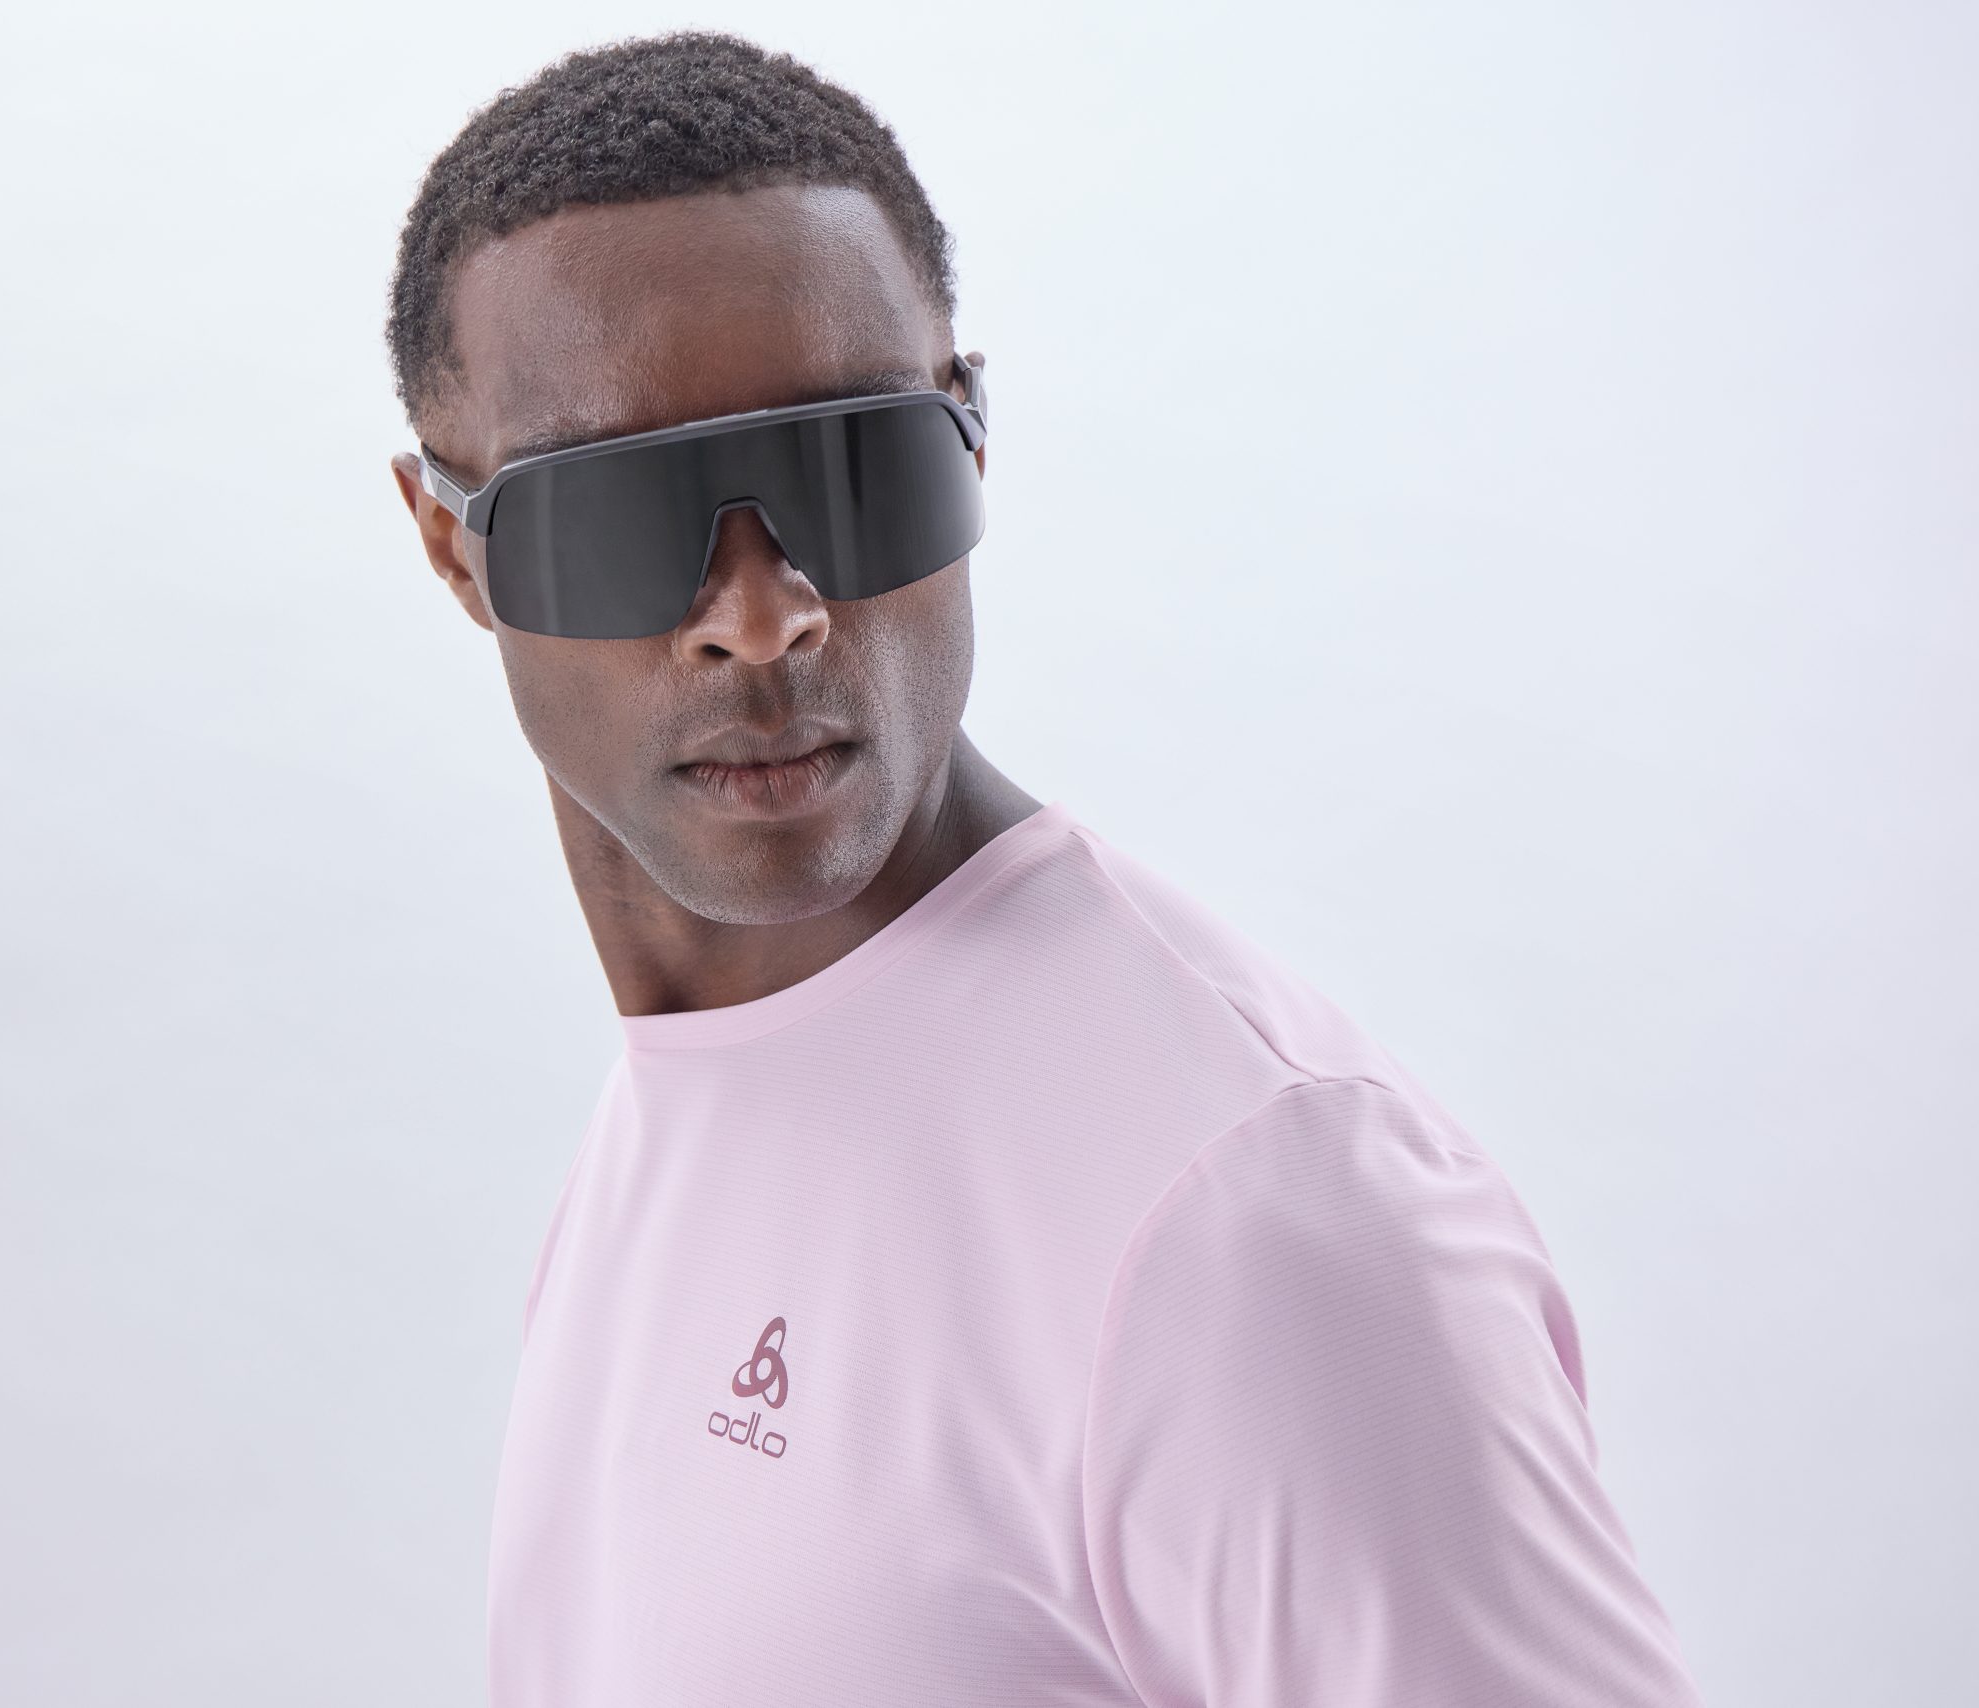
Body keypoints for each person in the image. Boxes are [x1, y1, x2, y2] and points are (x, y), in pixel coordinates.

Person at [382, 29, 1706, 1708]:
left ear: (974, 440)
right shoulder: (677, 1109)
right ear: (455, 548)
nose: (765, 617)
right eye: (622, 516)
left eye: (854, 470)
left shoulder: (1259, 1229)